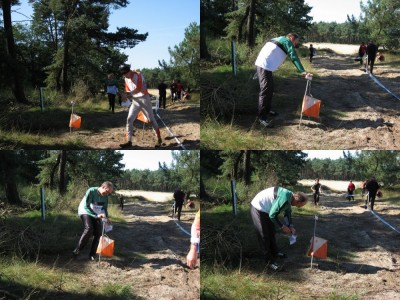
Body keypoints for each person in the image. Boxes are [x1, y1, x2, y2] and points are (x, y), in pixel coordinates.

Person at [254, 33, 312, 128]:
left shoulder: (279, 39)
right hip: (264, 66)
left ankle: (267, 110)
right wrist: (303, 71)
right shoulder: (286, 41)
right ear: (292, 38)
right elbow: (293, 56)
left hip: (264, 66)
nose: (294, 45)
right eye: (295, 43)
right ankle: (262, 118)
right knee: (265, 91)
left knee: (270, 89)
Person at [250, 186, 308, 271]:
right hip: (258, 207)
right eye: (300, 205)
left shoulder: (290, 198)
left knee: (271, 232)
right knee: (264, 235)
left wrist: (290, 226)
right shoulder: (285, 198)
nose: (299, 207)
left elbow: (287, 213)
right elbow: (272, 215)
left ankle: (275, 253)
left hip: (267, 210)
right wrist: (282, 226)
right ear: (297, 201)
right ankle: (269, 262)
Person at [118, 64, 162, 148]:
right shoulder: (125, 78)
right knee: (129, 119)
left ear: (129, 71)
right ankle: (129, 141)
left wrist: (127, 94)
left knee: (151, 120)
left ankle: (159, 139)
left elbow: (138, 89)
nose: (125, 76)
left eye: (125, 74)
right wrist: (125, 96)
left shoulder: (138, 75)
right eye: (123, 74)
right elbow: (127, 89)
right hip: (135, 100)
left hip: (144, 99)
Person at [72, 181, 114, 261]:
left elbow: (104, 209)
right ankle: (77, 250)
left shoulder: (105, 197)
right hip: (85, 211)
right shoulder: (91, 191)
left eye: (109, 193)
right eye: (107, 191)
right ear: (103, 187)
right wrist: (96, 216)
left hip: (96, 213)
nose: (107, 194)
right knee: (89, 228)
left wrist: (107, 218)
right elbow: (86, 206)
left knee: (98, 233)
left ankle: (92, 254)